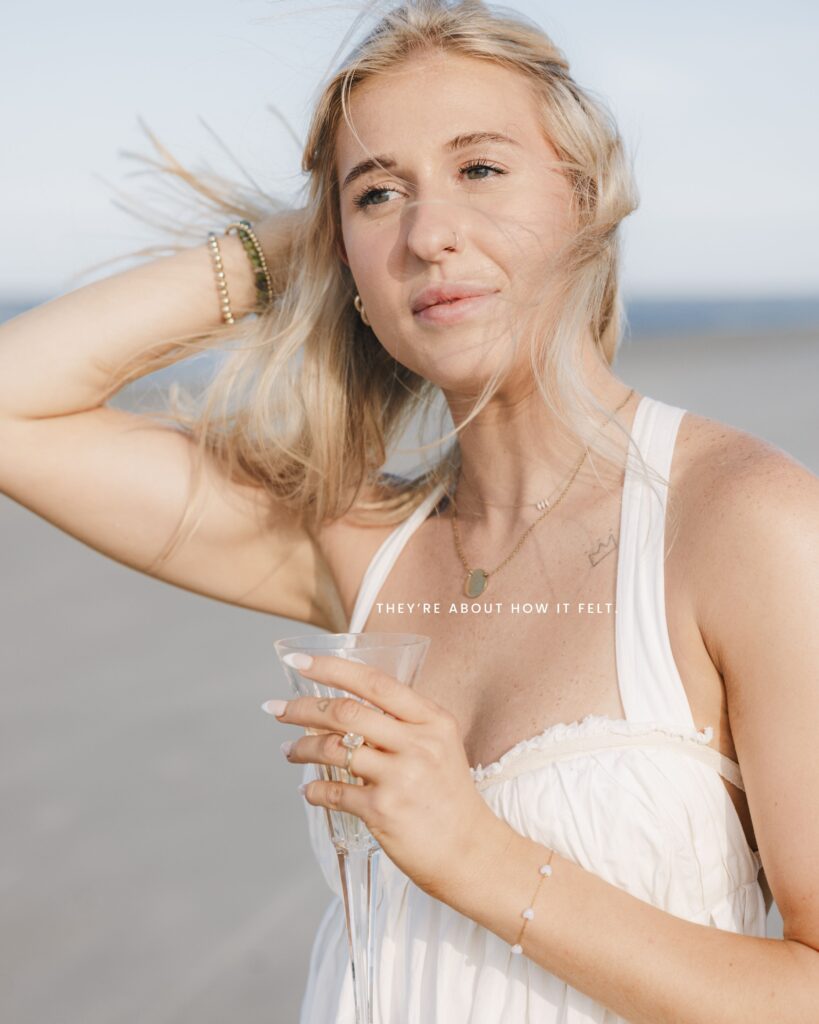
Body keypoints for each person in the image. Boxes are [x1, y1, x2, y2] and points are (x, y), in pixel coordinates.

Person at [2, 1, 817, 1022]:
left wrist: (480, 856)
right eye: (380, 193)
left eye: (481, 169)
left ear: (584, 192)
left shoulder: (742, 522)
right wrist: (290, 247)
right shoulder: (365, 546)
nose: (431, 234)